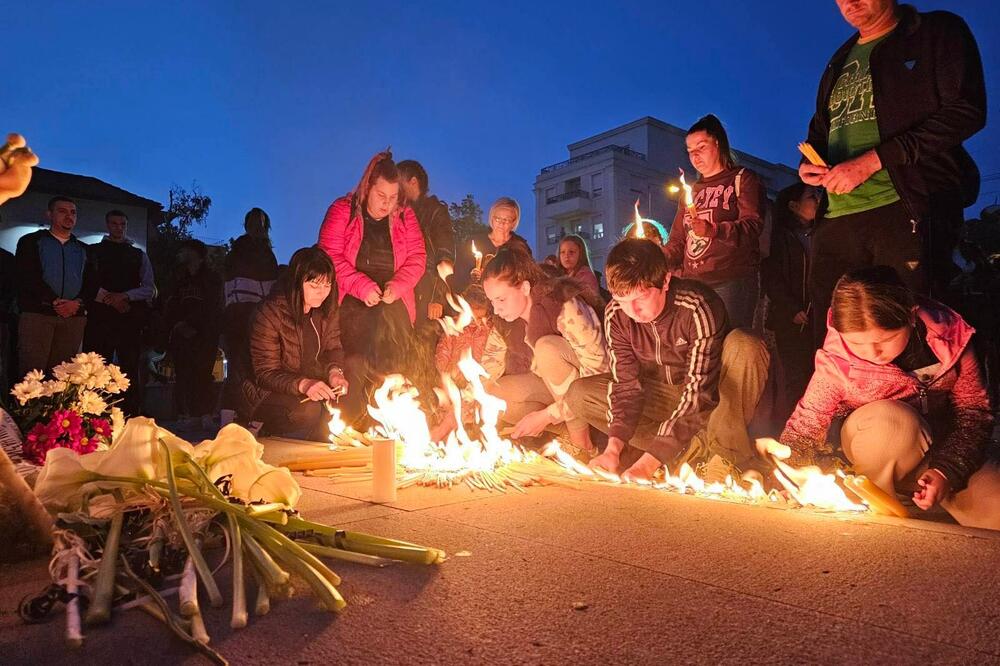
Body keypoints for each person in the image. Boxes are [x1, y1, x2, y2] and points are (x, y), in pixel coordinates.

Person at [800, 0, 986, 346]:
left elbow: (967, 111)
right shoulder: (839, 59)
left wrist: (873, 160)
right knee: (833, 336)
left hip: (907, 205)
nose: (849, 3)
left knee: (912, 332)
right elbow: (820, 130)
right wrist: (809, 164)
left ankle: (921, 401)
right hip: (838, 214)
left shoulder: (935, 32)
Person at [780, 266, 999, 530]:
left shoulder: (952, 340)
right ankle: (876, 499)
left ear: (910, 315)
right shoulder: (838, 361)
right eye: (858, 344)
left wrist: (946, 472)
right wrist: (789, 474)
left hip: (942, 452)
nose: (874, 352)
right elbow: (807, 423)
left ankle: (923, 492)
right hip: (874, 447)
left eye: (887, 339)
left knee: (995, 511)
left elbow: (974, 413)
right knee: (895, 423)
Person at [566, 239, 770, 482]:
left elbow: (697, 394)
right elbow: (626, 387)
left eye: (640, 298)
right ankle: (689, 449)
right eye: (622, 300)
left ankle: (724, 454)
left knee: (746, 345)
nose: (632, 311)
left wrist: (647, 465)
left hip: (712, 399)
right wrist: (613, 450)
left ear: (665, 281)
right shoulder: (617, 315)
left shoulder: (696, 306)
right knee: (580, 394)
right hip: (663, 397)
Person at [317, 150, 426, 424]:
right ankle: (350, 423)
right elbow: (328, 256)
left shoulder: (404, 216)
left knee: (395, 364)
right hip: (352, 301)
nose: (386, 204)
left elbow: (417, 258)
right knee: (356, 361)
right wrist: (361, 285)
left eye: (392, 198)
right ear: (367, 188)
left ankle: (390, 427)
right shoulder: (343, 210)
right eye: (381, 196)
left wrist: (397, 286)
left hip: (391, 304)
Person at [482, 247, 608, 452]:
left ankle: (583, 444)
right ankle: (563, 433)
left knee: (546, 349)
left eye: (501, 299)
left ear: (524, 288)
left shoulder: (562, 306)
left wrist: (548, 415)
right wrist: (465, 404)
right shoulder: (505, 321)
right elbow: (487, 370)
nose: (496, 309)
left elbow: (599, 373)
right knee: (493, 392)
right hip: (556, 393)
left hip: (595, 394)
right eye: (492, 301)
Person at [664, 115, 768, 329]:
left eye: (701, 147)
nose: (695, 156)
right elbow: (678, 240)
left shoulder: (742, 179)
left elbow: (752, 226)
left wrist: (713, 231)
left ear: (718, 143)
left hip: (730, 281)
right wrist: (655, 256)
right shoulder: (691, 192)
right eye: (690, 151)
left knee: (731, 343)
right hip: (692, 283)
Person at [247, 247, 348, 438]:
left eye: (327, 285)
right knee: (308, 411)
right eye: (314, 286)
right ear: (297, 282)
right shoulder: (269, 313)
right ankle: (260, 425)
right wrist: (304, 384)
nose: (322, 293)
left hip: (308, 382)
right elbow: (264, 373)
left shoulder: (327, 311)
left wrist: (335, 372)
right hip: (266, 392)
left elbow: (333, 348)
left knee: (353, 373)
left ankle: (320, 436)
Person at [82, 210, 156, 416]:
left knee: (129, 366)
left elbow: (148, 288)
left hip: (128, 319)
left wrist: (125, 296)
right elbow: (86, 282)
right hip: (100, 318)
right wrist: (111, 299)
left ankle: (131, 412)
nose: (119, 228)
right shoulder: (93, 252)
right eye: (114, 224)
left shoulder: (138, 255)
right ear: (107, 225)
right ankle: (94, 413)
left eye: (122, 224)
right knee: (96, 365)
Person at [15, 196, 96, 375]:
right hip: (38, 315)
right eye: (62, 211)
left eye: (73, 212)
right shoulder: (31, 242)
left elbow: (92, 282)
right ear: (49, 214)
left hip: (73, 318)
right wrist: (53, 301)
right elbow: (27, 276)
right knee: (31, 375)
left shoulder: (84, 250)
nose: (69, 216)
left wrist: (78, 304)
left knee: (62, 376)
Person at [763, 184, 821, 423]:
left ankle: (813, 430)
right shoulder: (781, 239)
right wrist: (791, 308)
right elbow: (772, 276)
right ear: (794, 206)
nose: (818, 199)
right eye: (811, 196)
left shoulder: (821, 235)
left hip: (816, 319)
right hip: (792, 321)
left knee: (817, 377)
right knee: (793, 377)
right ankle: (788, 430)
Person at [220, 207, 279, 424]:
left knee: (250, 367)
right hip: (242, 318)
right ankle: (233, 417)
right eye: (256, 223)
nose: (259, 228)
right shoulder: (242, 250)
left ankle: (246, 416)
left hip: (251, 317)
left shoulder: (258, 252)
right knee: (240, 366)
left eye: (261, 224)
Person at [164, 239, 222, 429]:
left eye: (184, 250)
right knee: (183, 373)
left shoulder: (211, 278)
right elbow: (171, 304)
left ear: (195, 253)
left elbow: (213, 306)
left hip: (204, 334)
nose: (180, 254)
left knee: (203, 373)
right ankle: (188, 413)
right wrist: (178, 325)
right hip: (181, 334)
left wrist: (194, 325)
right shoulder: (179, 278)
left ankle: (205, 413)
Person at [398, 160, 455, 322]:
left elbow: (446, 257)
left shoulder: (436, 212)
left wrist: (437, 298)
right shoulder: (399, 213)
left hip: (428, 292)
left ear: (413, 182)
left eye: (398, 182)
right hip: (405, 292)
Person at [455, 197, 532, 292]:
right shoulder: (475, 241)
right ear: (492, 218)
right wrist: (471, 277)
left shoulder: (520, 246)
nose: (501, 223)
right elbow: (459, 272)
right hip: (475, 300)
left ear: (513, 222)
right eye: (498, 219)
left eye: (507, 220)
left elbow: (528, 276)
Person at [434, 285, 493, 383]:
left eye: (480, 318)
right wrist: (445, 373)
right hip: (454, 378)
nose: (476, 323)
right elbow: (443, 350)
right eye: (473, 318)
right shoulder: (453, 327)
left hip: (479, 380)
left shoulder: (488, 330)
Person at [558, 234, 601, 302]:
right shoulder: (557, 276)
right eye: (562, 252)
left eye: (571, 252)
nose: (566, 256)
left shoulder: (586, 276)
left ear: (581, 254)